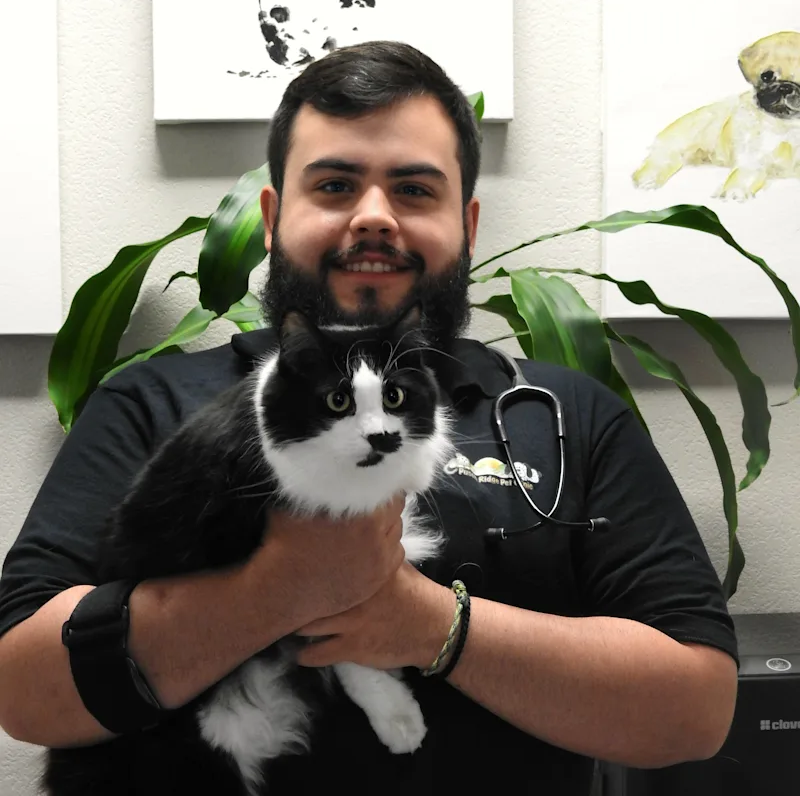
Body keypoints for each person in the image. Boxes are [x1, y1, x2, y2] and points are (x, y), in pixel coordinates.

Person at [0, 40, 737, 794]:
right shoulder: (151, 404)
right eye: (336, 185)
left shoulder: (566, 414)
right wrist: (277, 591)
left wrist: (427, 625)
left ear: (468, 225)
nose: (374, 218)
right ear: (271, 217)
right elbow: (22, 691)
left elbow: (694, 711)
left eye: (415, 191)